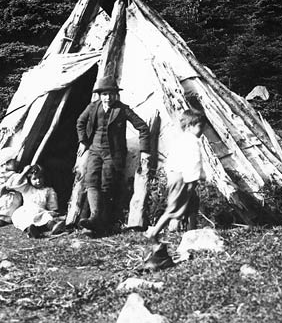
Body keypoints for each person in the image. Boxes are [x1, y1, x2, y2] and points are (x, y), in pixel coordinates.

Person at [76, 75, 150, 236]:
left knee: (106, 184)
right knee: (91, 180)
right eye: (104, 94)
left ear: (116, 95)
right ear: (100, 95)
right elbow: (80, 122)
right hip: (95, 149)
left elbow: (143, 127)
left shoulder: (122, 109)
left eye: (110, 94)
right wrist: (83, 141)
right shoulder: (93, 107)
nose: (107, 98)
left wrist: (144, 150)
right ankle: (95, 217)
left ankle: (102, 223)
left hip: (113, 153)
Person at [145, 108, 207, 243]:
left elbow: (171, 161)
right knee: (173, 209)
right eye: (200, 127)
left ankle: (191, 231)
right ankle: (154, 232)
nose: (202, 130)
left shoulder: (180, 140)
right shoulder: (192, 141)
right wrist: (198, 176)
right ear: (190, 126)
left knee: (191, 202)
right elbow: (194, 161)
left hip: (175, 176)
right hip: (183, 178)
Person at [10, 164, 65, 238]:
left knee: (47, 217)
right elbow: (16, 184)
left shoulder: (48, 190)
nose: (38, 181)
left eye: (40, 177)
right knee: (22, 218)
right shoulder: (26, 188)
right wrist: (25, 172)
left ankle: (53, 226)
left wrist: (53, 211)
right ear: (29, 179)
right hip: (27, 211)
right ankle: (31, 230)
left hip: (41, 211)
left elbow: (52, 205)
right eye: (34, 179)